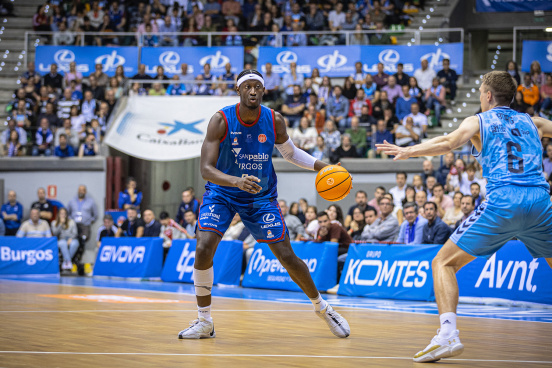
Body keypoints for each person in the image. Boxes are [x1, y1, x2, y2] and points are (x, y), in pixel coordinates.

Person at [376, 70, 552, 362]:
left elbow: (448, 142)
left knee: (442, 262)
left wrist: (409, 151)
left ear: (486, 96)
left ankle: (447, 334)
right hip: (540, 201)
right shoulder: (534, 122)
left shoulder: (478, 121)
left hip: (503, 201)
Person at [178, 69, 350, 340]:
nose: (253, 91)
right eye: (247, 86)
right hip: (223, 192)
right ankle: (204, 321)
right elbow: (206, 169)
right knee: (203, 247)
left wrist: (323, 167)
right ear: (239, 90)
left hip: (261, 196)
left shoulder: (274, 119)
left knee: (286, 255)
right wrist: (236, 181)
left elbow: (291, 153)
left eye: (257, 86)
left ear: (264, 90)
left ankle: (323, 307)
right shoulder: (220, 120)